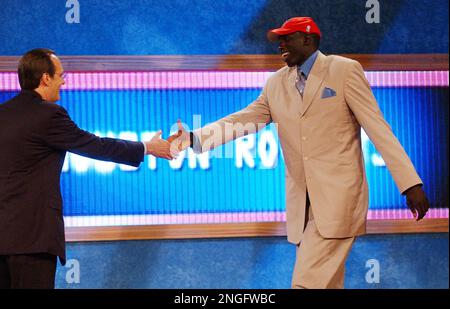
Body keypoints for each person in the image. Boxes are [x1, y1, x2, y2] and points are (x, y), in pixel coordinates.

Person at [169, 17, 430, 288]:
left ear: (308, 39)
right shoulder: (276, 83)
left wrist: (410, 183)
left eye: (287, 38)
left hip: (339, 201)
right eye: (279, 39)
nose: (280, 44)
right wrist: (193, 138)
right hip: (302, 210)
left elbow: (378, 129)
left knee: (305, 283)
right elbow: (242, 120)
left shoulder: (344, 71)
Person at [0, 48, 175, 289]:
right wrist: (148, 147)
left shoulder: (3, 114)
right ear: (45, 78)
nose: (63, 81)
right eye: (60, 75)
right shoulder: (48, 115)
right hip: (32, 240)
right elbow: (95, 145)